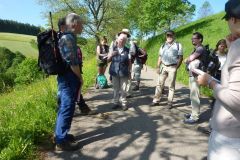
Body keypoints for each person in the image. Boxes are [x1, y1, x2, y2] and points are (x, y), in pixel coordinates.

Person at [197, 0, 240, 159]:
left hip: (230, 138)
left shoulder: (238, 48)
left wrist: (209, 81)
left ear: (233, 19)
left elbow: (236, 98)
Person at [55, 13, 83, 151]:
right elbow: (72, 62)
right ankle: (61, 141)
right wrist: (80, 77)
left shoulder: (66, 37)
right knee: (67, 107)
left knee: (65, 106)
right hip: (68, 77)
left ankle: (62, 135)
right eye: (81, 23)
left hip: (65, 77)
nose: (82, 26)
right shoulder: (68, 38)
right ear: (74, 24)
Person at [151, 30, 183, 109]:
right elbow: (160, 57)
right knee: (159, 84)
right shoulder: (163, 45)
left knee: (171, 86)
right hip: (163, 66)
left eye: (171, 35)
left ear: (174, 36)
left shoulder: (178, 45)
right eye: (168, 35)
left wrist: (176, 67)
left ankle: (169, 103)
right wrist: (158, 66)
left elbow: (180, 57)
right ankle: (156, 100)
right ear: (166, 36)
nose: (169, 37)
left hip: (172, 67)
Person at [183, 32, 207, 124]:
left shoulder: (200, 48)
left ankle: (195, 117)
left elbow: (189, 59)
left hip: (196, 76)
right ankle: (193, 113)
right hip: (193, 74)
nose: (192, 40)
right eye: (192, 38)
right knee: (193, 96)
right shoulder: (197, 48)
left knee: (194, 96)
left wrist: (187, 60)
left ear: (200, 39)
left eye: (194, 38)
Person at [108, 31, 132, 111]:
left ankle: (124, 104)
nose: (122, 41)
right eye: (120, 39)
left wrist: (129, 72)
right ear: (117, 40)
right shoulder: (113, 48)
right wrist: (111, 55)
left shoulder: (127, 50)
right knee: (115, 89)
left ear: (125, 41)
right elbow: (107, 60)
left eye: (123, 40)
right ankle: (115, 103)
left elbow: (129, 62)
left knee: (123, 89)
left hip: (124, 72)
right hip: (114, 72)